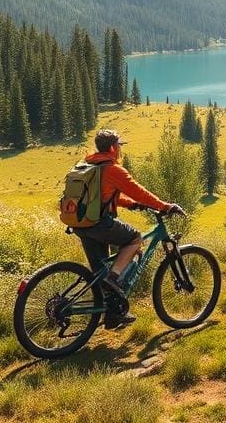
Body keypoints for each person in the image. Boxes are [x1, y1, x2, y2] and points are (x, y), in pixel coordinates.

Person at [73, 128, 181, 328]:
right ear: (113, 148)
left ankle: (113, 314)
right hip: (99, 223)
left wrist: (129, 204)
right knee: (135, 238)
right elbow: (139, 192)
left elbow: (99, 197)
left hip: (80, 224)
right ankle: (114, 279)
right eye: (119, 146)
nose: (120, 150)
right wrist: (165, 206)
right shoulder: (112, 169)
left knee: (100, 270)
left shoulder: (87, 165)